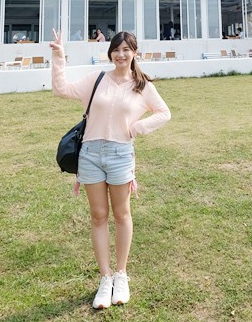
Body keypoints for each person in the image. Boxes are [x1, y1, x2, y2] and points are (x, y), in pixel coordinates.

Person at [49, 30, 171, 310]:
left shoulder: (142, 87)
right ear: (110, 53)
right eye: (116, 49)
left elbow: (164, 113)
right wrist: (58, 56)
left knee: (122, 214)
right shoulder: (98, 79)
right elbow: (61, 89)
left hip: (120, 154)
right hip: (90, 155)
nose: (120, 54)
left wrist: (137, 128)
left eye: (126, 49)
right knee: (98, 216)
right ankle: (105, 278)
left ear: (134, 53)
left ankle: (121, 274)